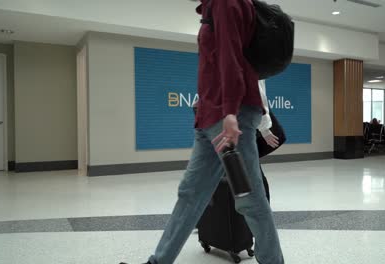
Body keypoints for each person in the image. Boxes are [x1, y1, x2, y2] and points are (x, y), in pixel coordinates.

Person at [121, 0, 284, 263]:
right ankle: (158, 261)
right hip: (209, 118)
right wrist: (204, 101)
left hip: (229, 119)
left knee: (249, 198)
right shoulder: (213, 7)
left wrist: (230, 111)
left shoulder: (225, 2)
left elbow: (231, 58)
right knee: (190, 195)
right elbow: (216, 64)